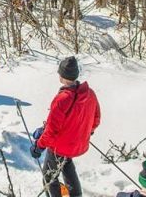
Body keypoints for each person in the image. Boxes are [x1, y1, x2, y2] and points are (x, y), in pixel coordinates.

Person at [30, 56, 101, 197]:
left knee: (49, 176)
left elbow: (52, 130)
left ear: (62, 76)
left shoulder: (62, 99)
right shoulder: (89, 94)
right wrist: (86, 132)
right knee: (67, 166)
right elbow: (96, 119)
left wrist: (39, 146)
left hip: (58, 147)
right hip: (76, 144)